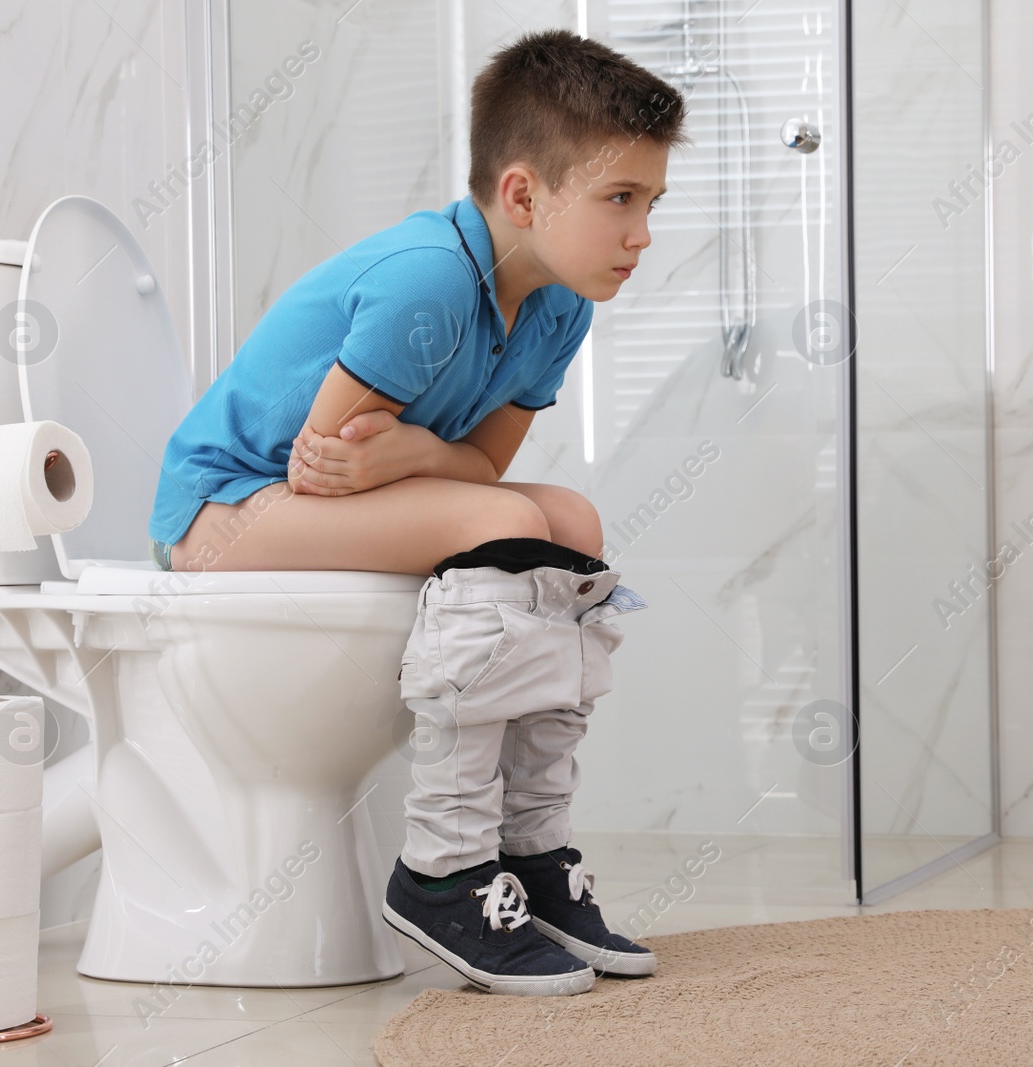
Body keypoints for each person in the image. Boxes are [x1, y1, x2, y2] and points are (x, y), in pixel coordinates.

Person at [145, 28, 690, 997]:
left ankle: (529, 849)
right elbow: (323, 472)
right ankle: (442, 866)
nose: (642, 231)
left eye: (649, 202)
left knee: (571, 518)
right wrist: (421, 463)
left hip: (321, 505)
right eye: (620, 199)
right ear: (523, 194)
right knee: (500, 530)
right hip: (227, 510)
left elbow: (479, 463)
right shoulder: (429, 280)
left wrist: (416, 451)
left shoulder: (560, 307)